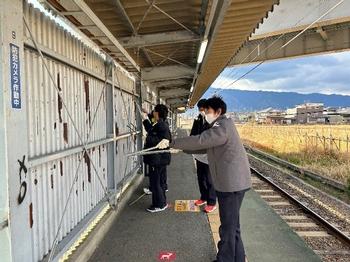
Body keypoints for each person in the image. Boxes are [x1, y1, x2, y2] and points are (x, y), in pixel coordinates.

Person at [157, 96, 251, 262]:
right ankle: (237, 258)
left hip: (231, 185)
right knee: (233, 226)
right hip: (233, 183)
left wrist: (173, 142)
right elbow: (205, 147)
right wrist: (182, 150)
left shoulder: (222, 126)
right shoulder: (223, 125)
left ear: (218, 111)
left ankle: (225, 259)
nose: (205, 114)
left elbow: (201, 140)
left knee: (228, 227)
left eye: (207, 111)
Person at [142, 104, 172, 213]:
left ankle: (160, 204)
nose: (153, 112)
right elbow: (151, 127)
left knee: (156, 183)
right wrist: (146, 116)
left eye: (154, 111)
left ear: (158, 113)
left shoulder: (162, 126)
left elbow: (155, 139)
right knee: (159, 182)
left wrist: (147, 138)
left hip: (158, 159)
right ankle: (162, 202)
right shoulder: (160, 122)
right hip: (159, 159)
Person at [190, 99, 217, 213]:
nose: (201, 111)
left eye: (203, 109)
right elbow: (192, 134)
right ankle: (203, 197)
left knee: (210, 179)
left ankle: (212, 202)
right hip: (199, 154)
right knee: (201, 177)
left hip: (209, 155)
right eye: (199, 109)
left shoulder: (213, 122)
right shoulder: (198, 119)